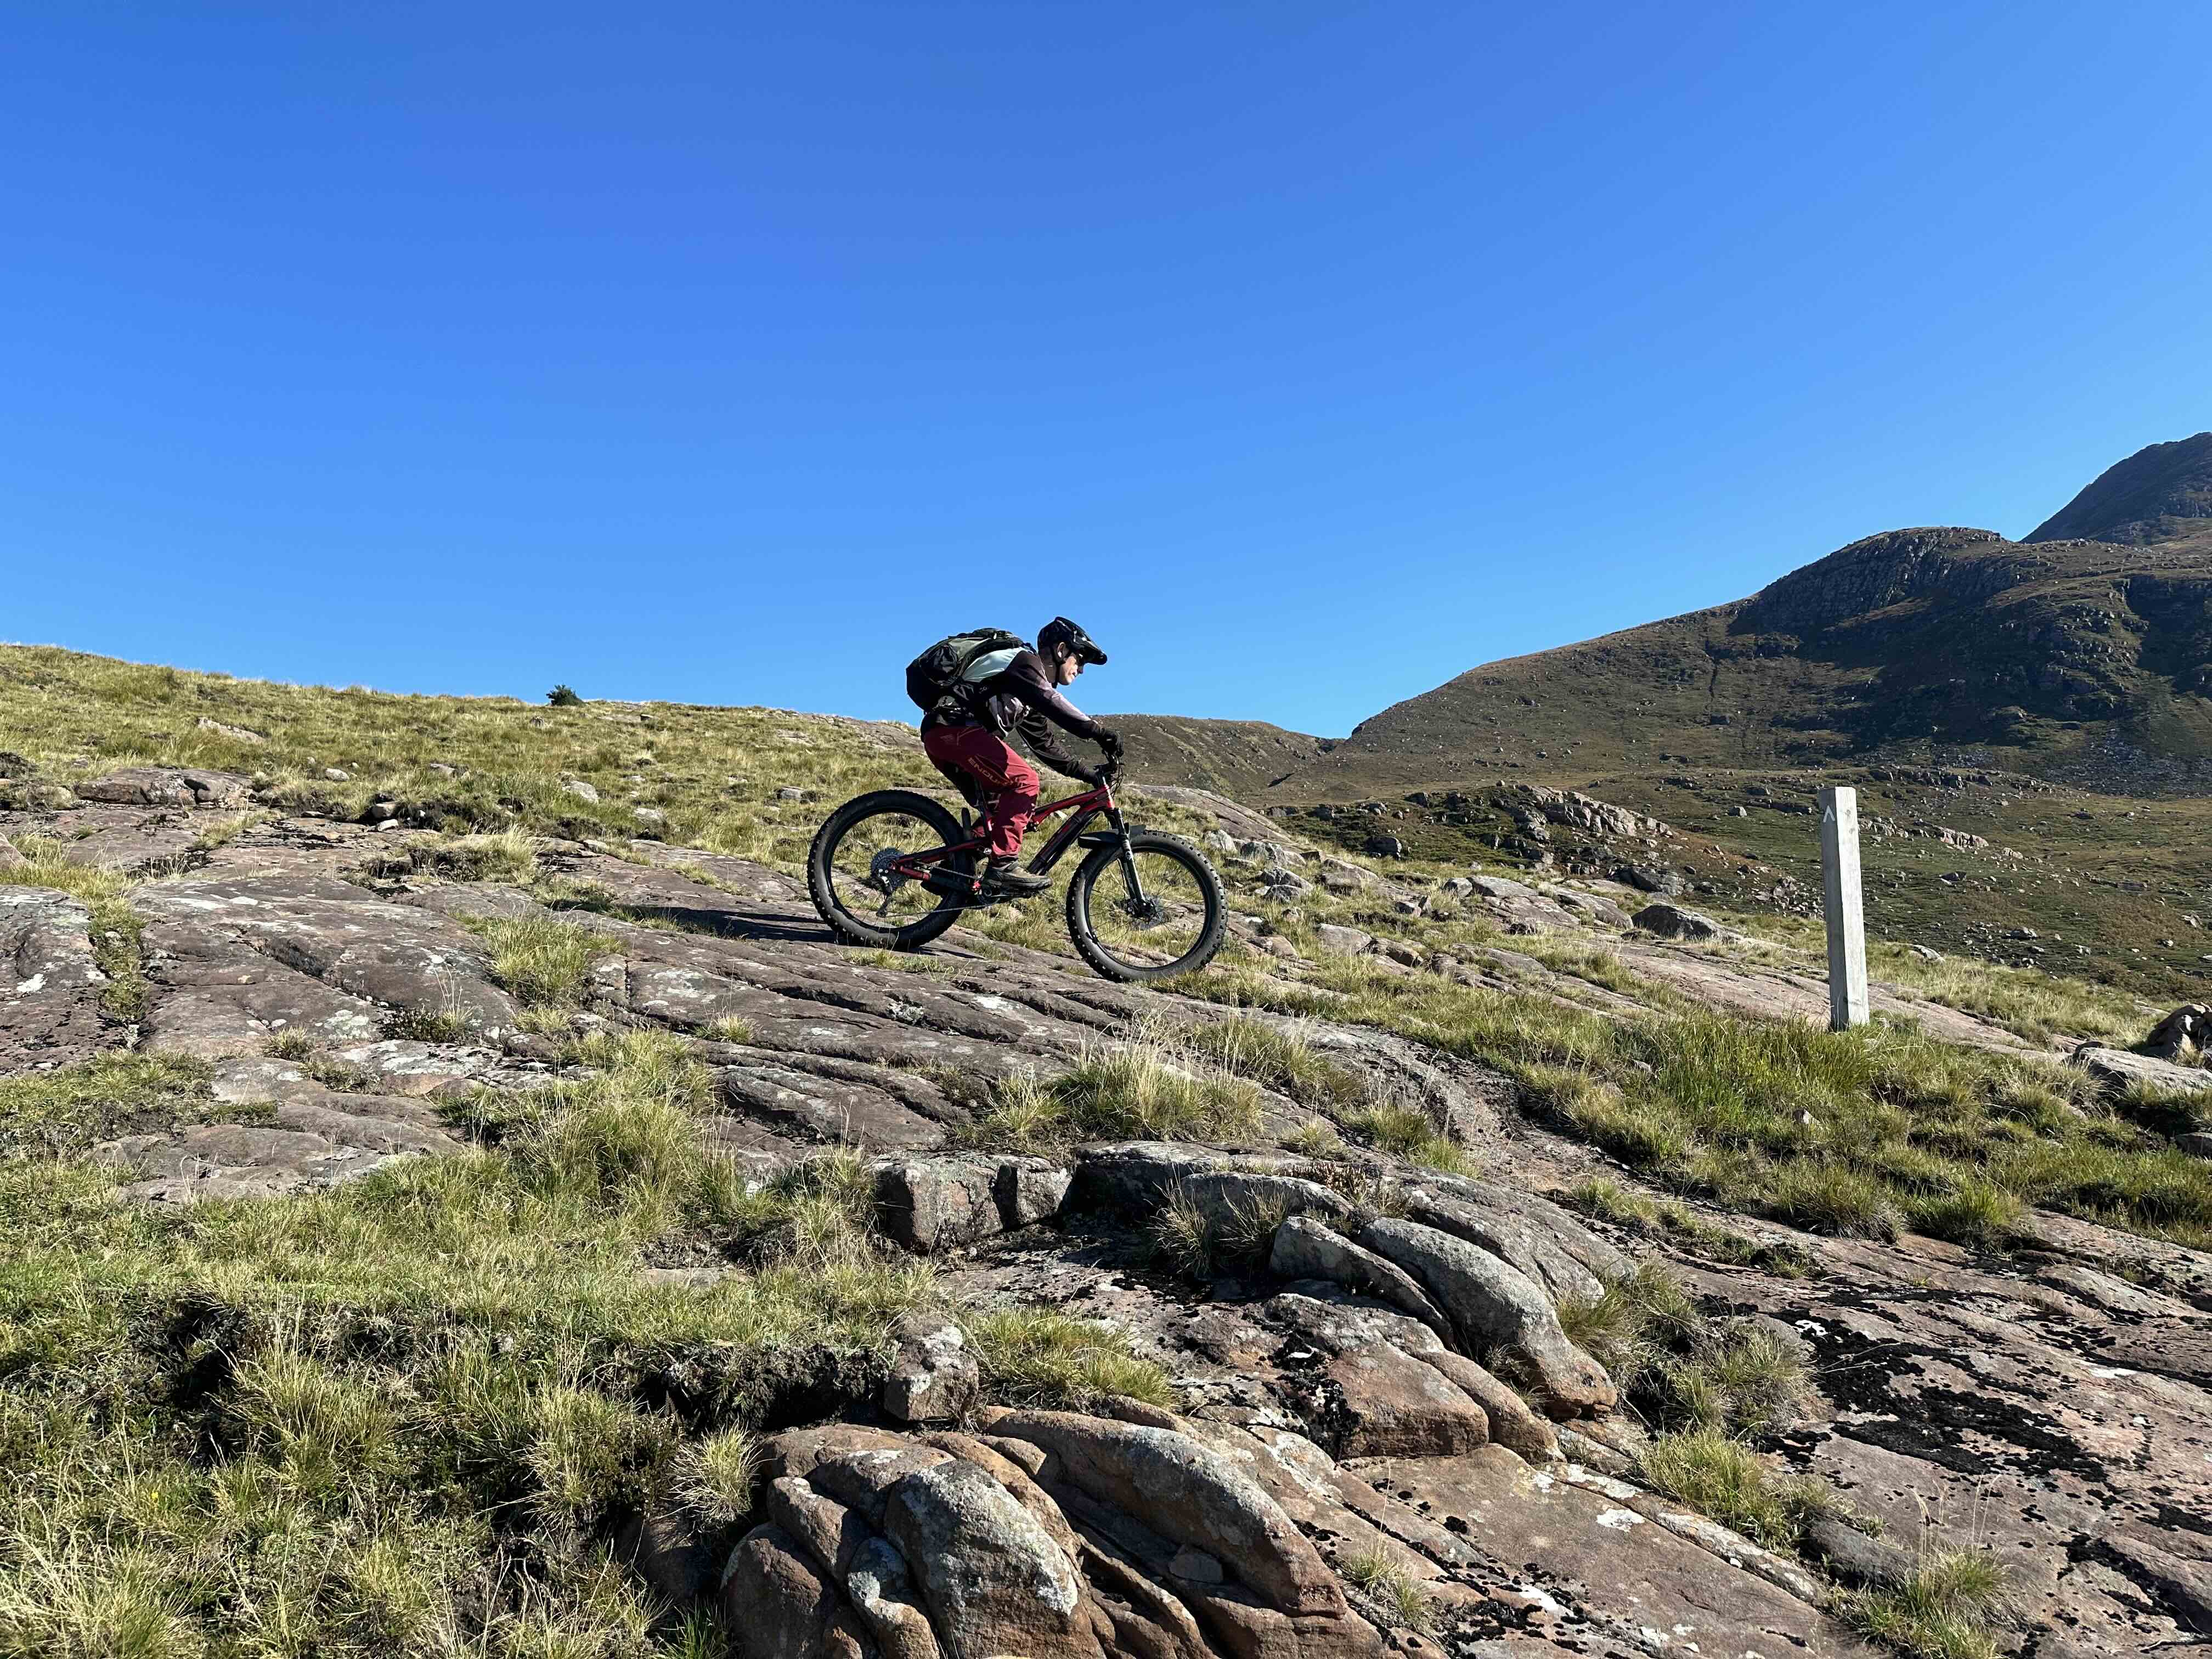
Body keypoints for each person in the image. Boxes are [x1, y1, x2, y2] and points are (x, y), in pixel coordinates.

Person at [919, 617, 1122, 897]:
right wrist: (1099, 732)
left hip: (945, 736)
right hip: (954, 729)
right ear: (1061, 650)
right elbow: (1054, 703)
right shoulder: (1024, 663)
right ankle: (1003, 868)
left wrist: (1088, 775)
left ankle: (950, 872)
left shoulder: (1025, 691)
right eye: (1080, 659)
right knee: (1025, 781)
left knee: (1002, 814)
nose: (1082, 669)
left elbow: (1045, 746)